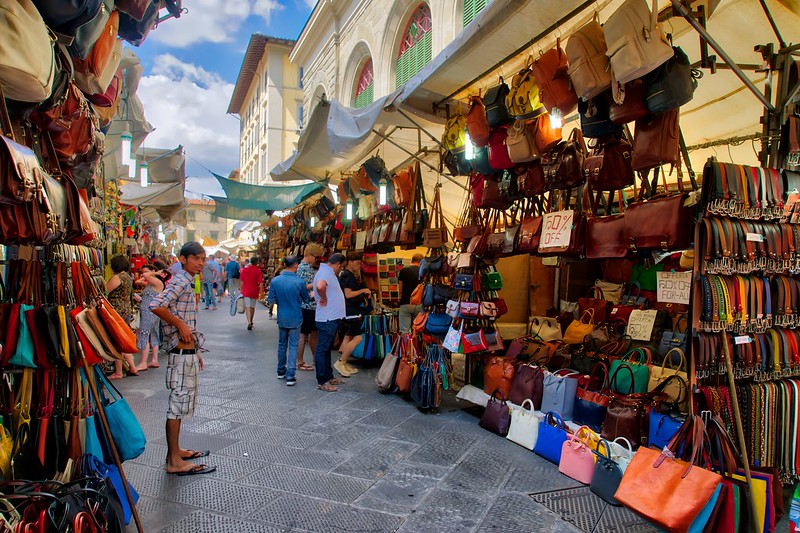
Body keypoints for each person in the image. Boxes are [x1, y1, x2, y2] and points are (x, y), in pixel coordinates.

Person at [150, 242, 216, 476]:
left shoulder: (187, 280)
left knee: (182, 403)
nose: (201, 263)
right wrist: (179, 325)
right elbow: (155, 304)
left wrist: (195, 348)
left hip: (186, 351)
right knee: (177, 407)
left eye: (203, 259)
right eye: (196, 258)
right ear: (183, 259)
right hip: (179, 353)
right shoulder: (179, 280)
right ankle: (174, 462)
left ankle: (176, 452)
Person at [266, 256, 310, 386]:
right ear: (295, 265)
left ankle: (281, 371)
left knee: (282, 344)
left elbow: (271, 299)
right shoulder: (299, 282)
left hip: (282, 316)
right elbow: (306, 299)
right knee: (293, 345)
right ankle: (291, 375)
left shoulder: (275, 281)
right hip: (295, 316)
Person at [313, 253, 347, 392]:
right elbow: (321, 286)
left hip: (329, 317)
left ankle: (328, 376)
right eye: (342, 267)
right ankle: (322, 381)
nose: (341, 269)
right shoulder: (326, 272)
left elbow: (317, 286)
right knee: (322, 349)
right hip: (327, 318)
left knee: (325, 349)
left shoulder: (325, 272)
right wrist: (324, 298)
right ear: (338, 264)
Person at [335, 252, 371, 378]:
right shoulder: (347, 276)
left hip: (349, 310)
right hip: (351, 311)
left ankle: (343, 362)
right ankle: (341, 362)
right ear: (350, 261)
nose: (359, 265)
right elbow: (348, 294)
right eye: (357, 262)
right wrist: (363, 290)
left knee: (348, 336)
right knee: (358, 338)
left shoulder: (348, 275)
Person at [106, 255, 140, 379]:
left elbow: (105, 291)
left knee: (117, 341)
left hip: (116, 311)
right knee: (123, 340)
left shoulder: (117, 277)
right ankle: (132, 367)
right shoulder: (128, 277)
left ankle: (119, 372)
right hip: (125, 310)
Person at [133, 262, 168, 371]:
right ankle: (154, 359)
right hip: (152, 311)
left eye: (146, 272)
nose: (144, 275)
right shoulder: (151, 283)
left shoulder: (156, 281)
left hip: (149, 311)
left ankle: (143, 362)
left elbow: (145, 278)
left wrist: (153, 273)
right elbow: (137, 282)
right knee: (153, 334)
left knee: (144, 333)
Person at [296, 243, 322, 371]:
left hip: (307, 305)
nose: (316, 260)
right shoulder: (305, 268)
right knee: (305, 334)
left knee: (308, 334)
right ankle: (300, 362)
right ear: (311, 255)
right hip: (308, 305)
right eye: (316, 257)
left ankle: (311, 359)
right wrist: (317, 283)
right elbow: (304, 287)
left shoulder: (302, 267)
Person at [398, 254, 423, 333]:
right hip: (419, 304)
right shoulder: (423, 272)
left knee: (404, 331)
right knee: (418, 329)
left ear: (412, 260)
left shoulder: (404, 271)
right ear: (421, 262)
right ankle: (417, 345)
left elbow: (400, 289)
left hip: (406, 303)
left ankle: (406, 345)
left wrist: (400, 298)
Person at [239, 257, 264, 330]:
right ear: (257, 262)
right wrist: (261, 292)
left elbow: (241, 281)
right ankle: (251, 320)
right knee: (252, 307)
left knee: (247, 307)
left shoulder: (245, 270)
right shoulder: (258, 271)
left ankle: (249, 322)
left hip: (246, 290)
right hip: (254, 290)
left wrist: (241, 289)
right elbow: (261, 283)